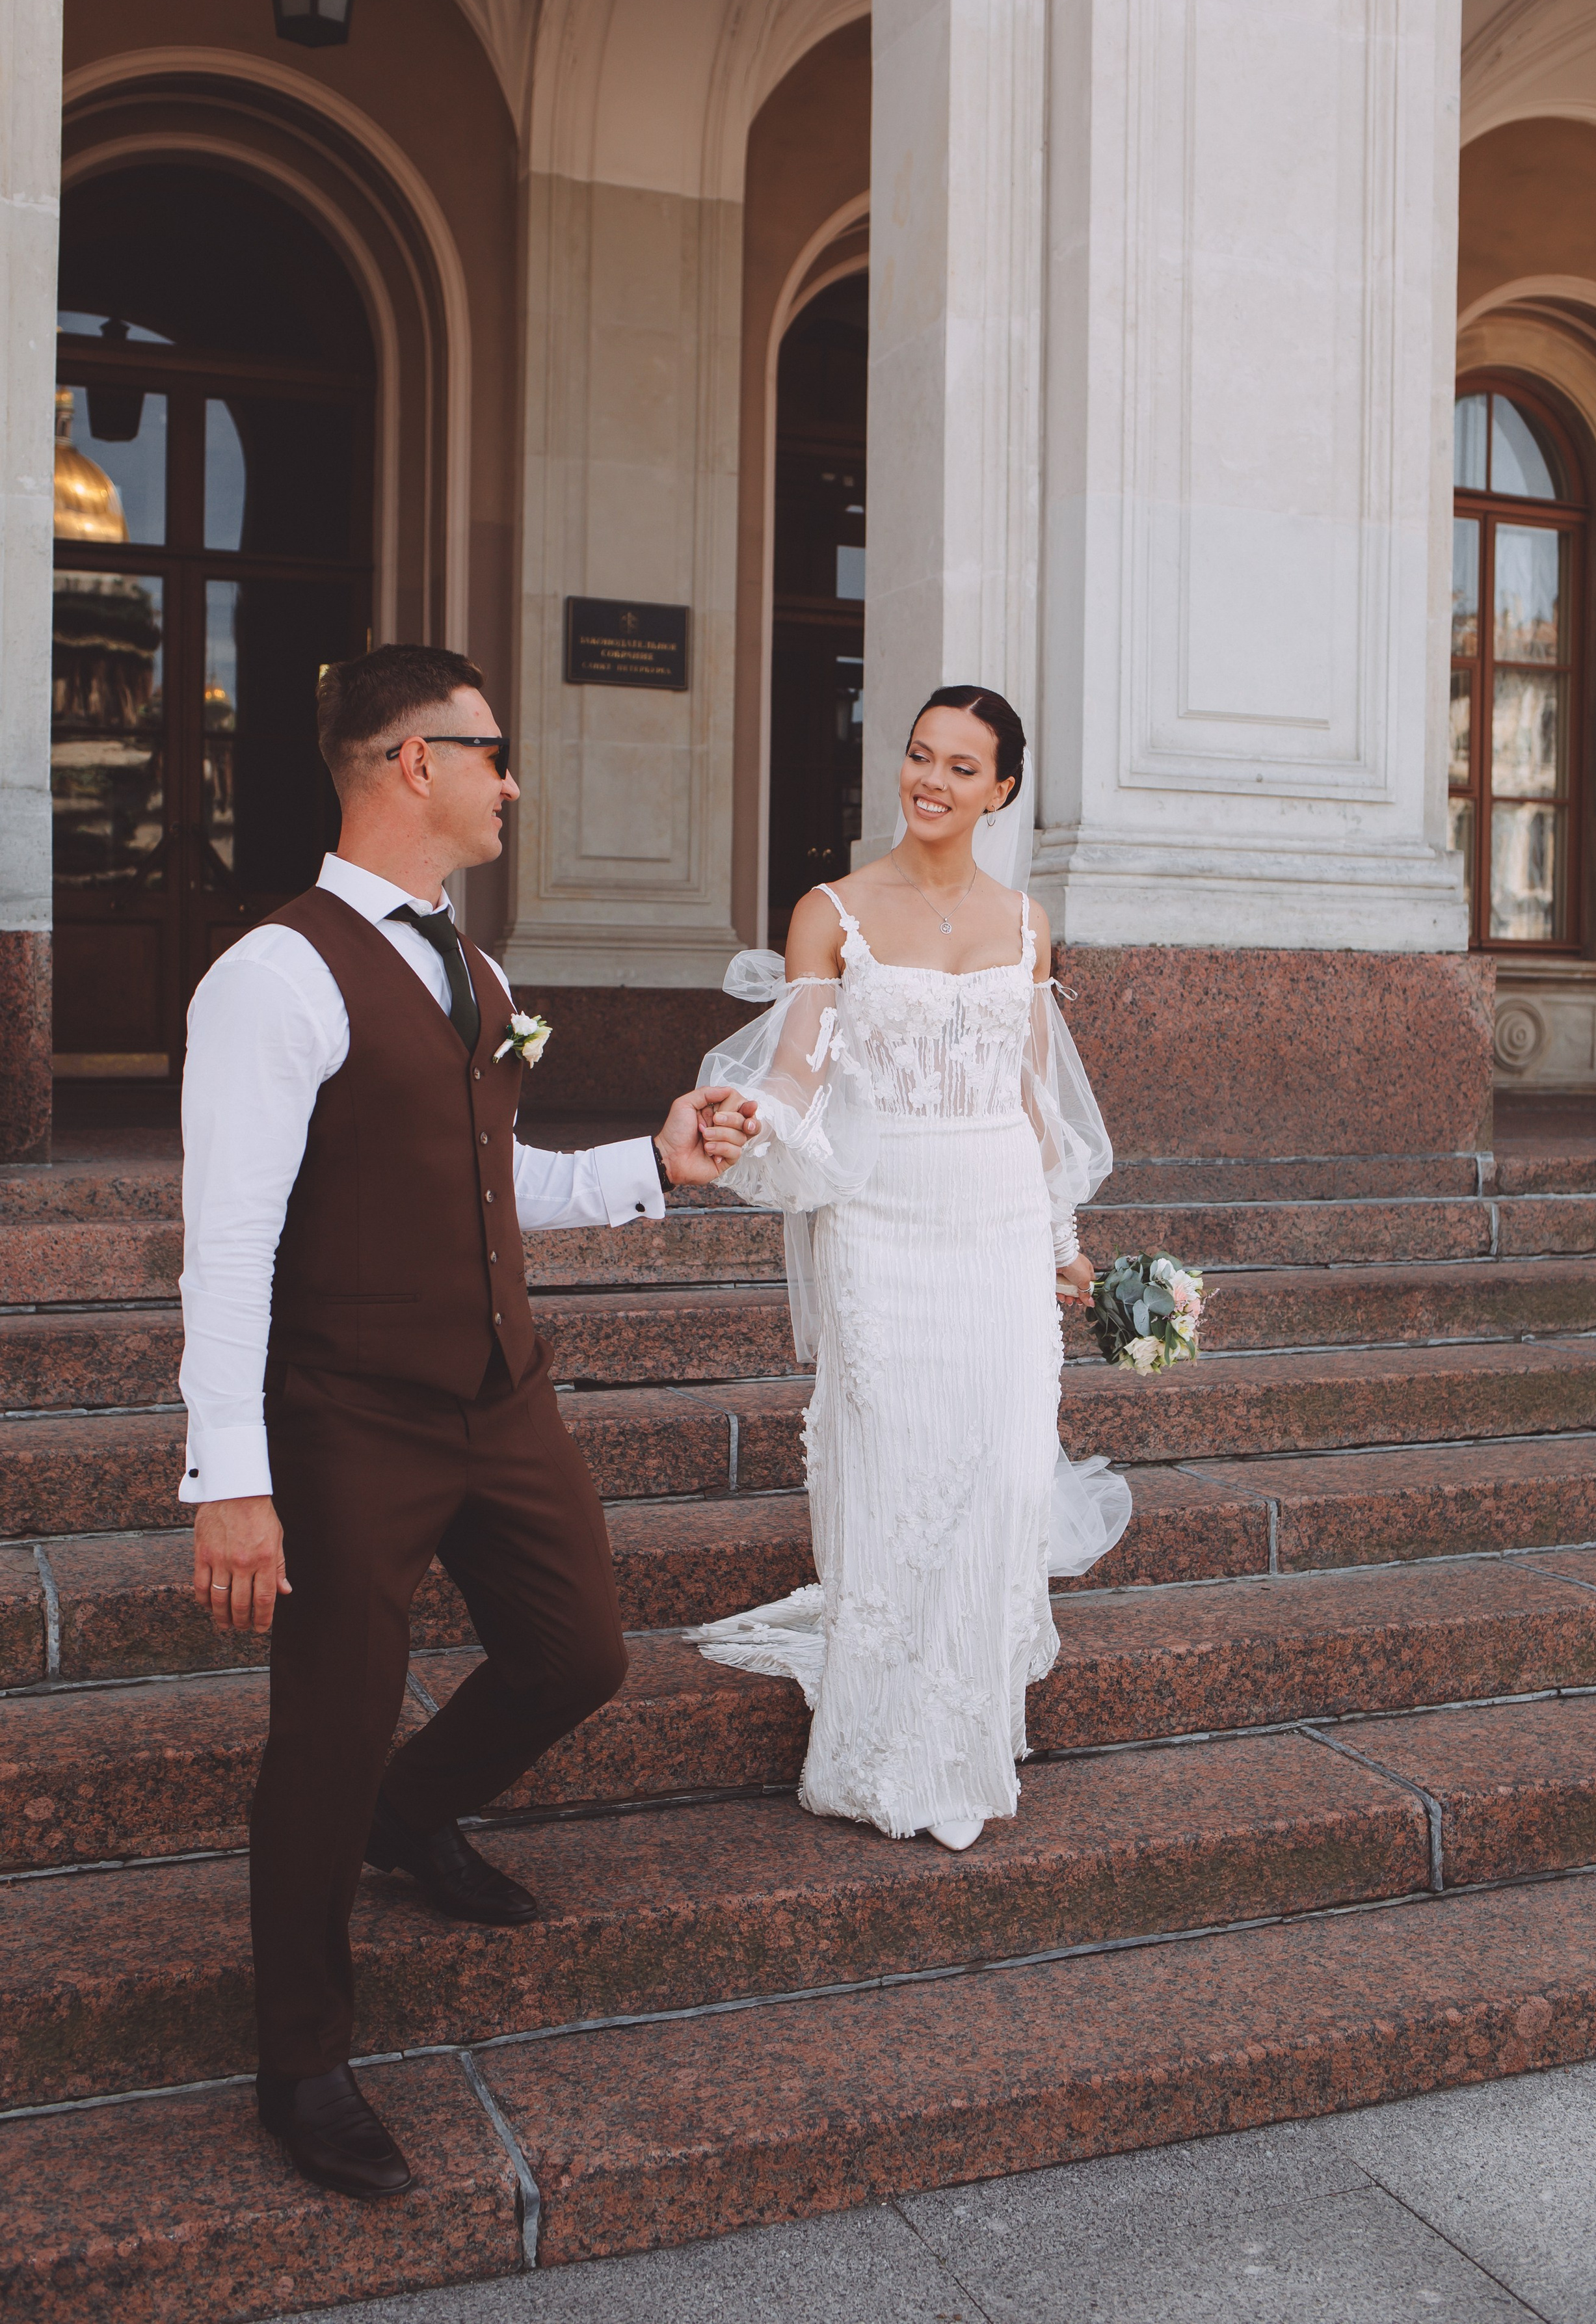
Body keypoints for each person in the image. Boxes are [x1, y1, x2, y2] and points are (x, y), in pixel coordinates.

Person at [178, 643, 756, 2201]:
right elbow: (226, 1240)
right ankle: (300, 2061)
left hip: (503, 1400)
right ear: (403, 764)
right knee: (326, 1726)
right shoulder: (274, 975)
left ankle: (409, 1815)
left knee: (578, 1654)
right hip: (350, 1413)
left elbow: (491, 1183)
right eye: (489, 752)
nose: (512, 782)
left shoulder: (474, 970)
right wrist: (228, 1476)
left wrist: (653, 1160)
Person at [691, 685, 1129, 1852]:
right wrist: (750, 1114)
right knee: (891, 1472)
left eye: (961, 766)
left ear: (1003, 790)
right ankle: (884, 1742)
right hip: (881, 1224)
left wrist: (1062, 1248)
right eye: (918, 755)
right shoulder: (832, 910)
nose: (929, 780)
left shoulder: (1028, 923)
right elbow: (798, 1067)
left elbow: (1037, 1105)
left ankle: (967, 1729)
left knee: (1000, 1480)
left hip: (992, 1224)